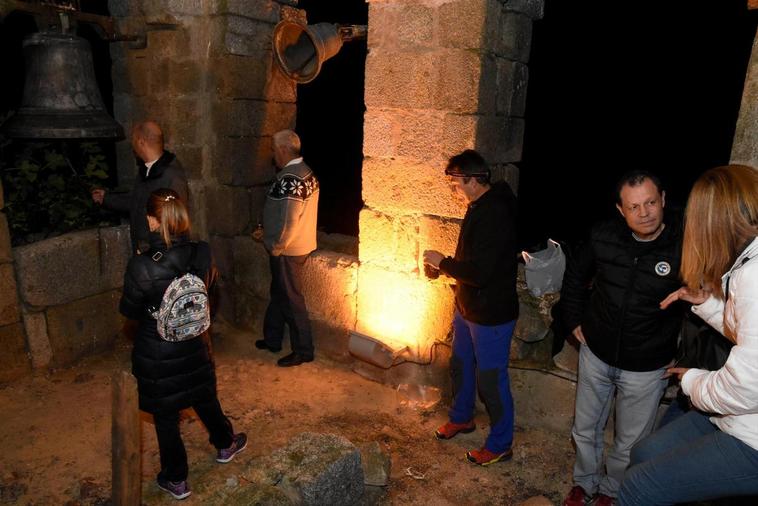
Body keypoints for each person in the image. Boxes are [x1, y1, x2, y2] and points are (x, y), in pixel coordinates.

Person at [618, 165, 758, 506]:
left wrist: (693, 381)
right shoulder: (749, 262)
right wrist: (709, 304)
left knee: (637, 487)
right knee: (644, 452)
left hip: (751, 431)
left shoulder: (753, 275)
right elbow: (749, 333)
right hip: (740, 415)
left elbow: (746, 386)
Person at [560, 171, 684, 506]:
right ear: (621, 210)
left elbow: (701, 305)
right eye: (634, 207)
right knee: (585, 428)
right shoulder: (603, 235)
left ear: (663, 200)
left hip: (647, 366)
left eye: (650, 202)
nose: (644, 213)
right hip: (596, 354)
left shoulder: (685, 246)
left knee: (630, 442)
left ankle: (611, 490)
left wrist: (683, 354)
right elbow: (574, 275)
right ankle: (584, 483)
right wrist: (572, 320)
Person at [119, 188, 246, 500]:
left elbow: (129, 311)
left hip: (157, 348)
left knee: (165, 415)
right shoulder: (201, 252)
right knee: (202, 393)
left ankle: (176, 479)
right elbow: (210, 287)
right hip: (194, 340)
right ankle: (225, 443)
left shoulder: (141, 266)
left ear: (151, 221)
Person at [422, 149, 519, 466]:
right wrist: (446, 268)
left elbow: (482, 272)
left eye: (456, 184)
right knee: (461, 365)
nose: (454, 190)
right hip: (468, 307)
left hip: (491, 313)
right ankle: (462, 417)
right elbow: (473, 259)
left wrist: (443, 262)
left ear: (474, 181)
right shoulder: (479, 205)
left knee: (490, 381)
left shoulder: (497, 213)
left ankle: (501, 443)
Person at [253, 129, 319, 367]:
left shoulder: (291, 178)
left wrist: (275, 246)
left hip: (288, 250)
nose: (272, 155)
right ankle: (272, 339)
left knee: (291, 298)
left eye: (273, 149)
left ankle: (304, 350)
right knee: (280, 293)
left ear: (282, 149)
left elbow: (289, 220)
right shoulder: (305, 172)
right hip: (295, 246)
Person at [92, 120, 188, 255]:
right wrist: (106, 199)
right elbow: (136, 201)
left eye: (133, 140)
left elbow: (176, 223)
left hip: (160, 257)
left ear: (141, 142)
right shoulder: (146, 170)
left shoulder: (173, 177)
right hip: (145, 253)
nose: (132, 145)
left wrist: (158, 256)